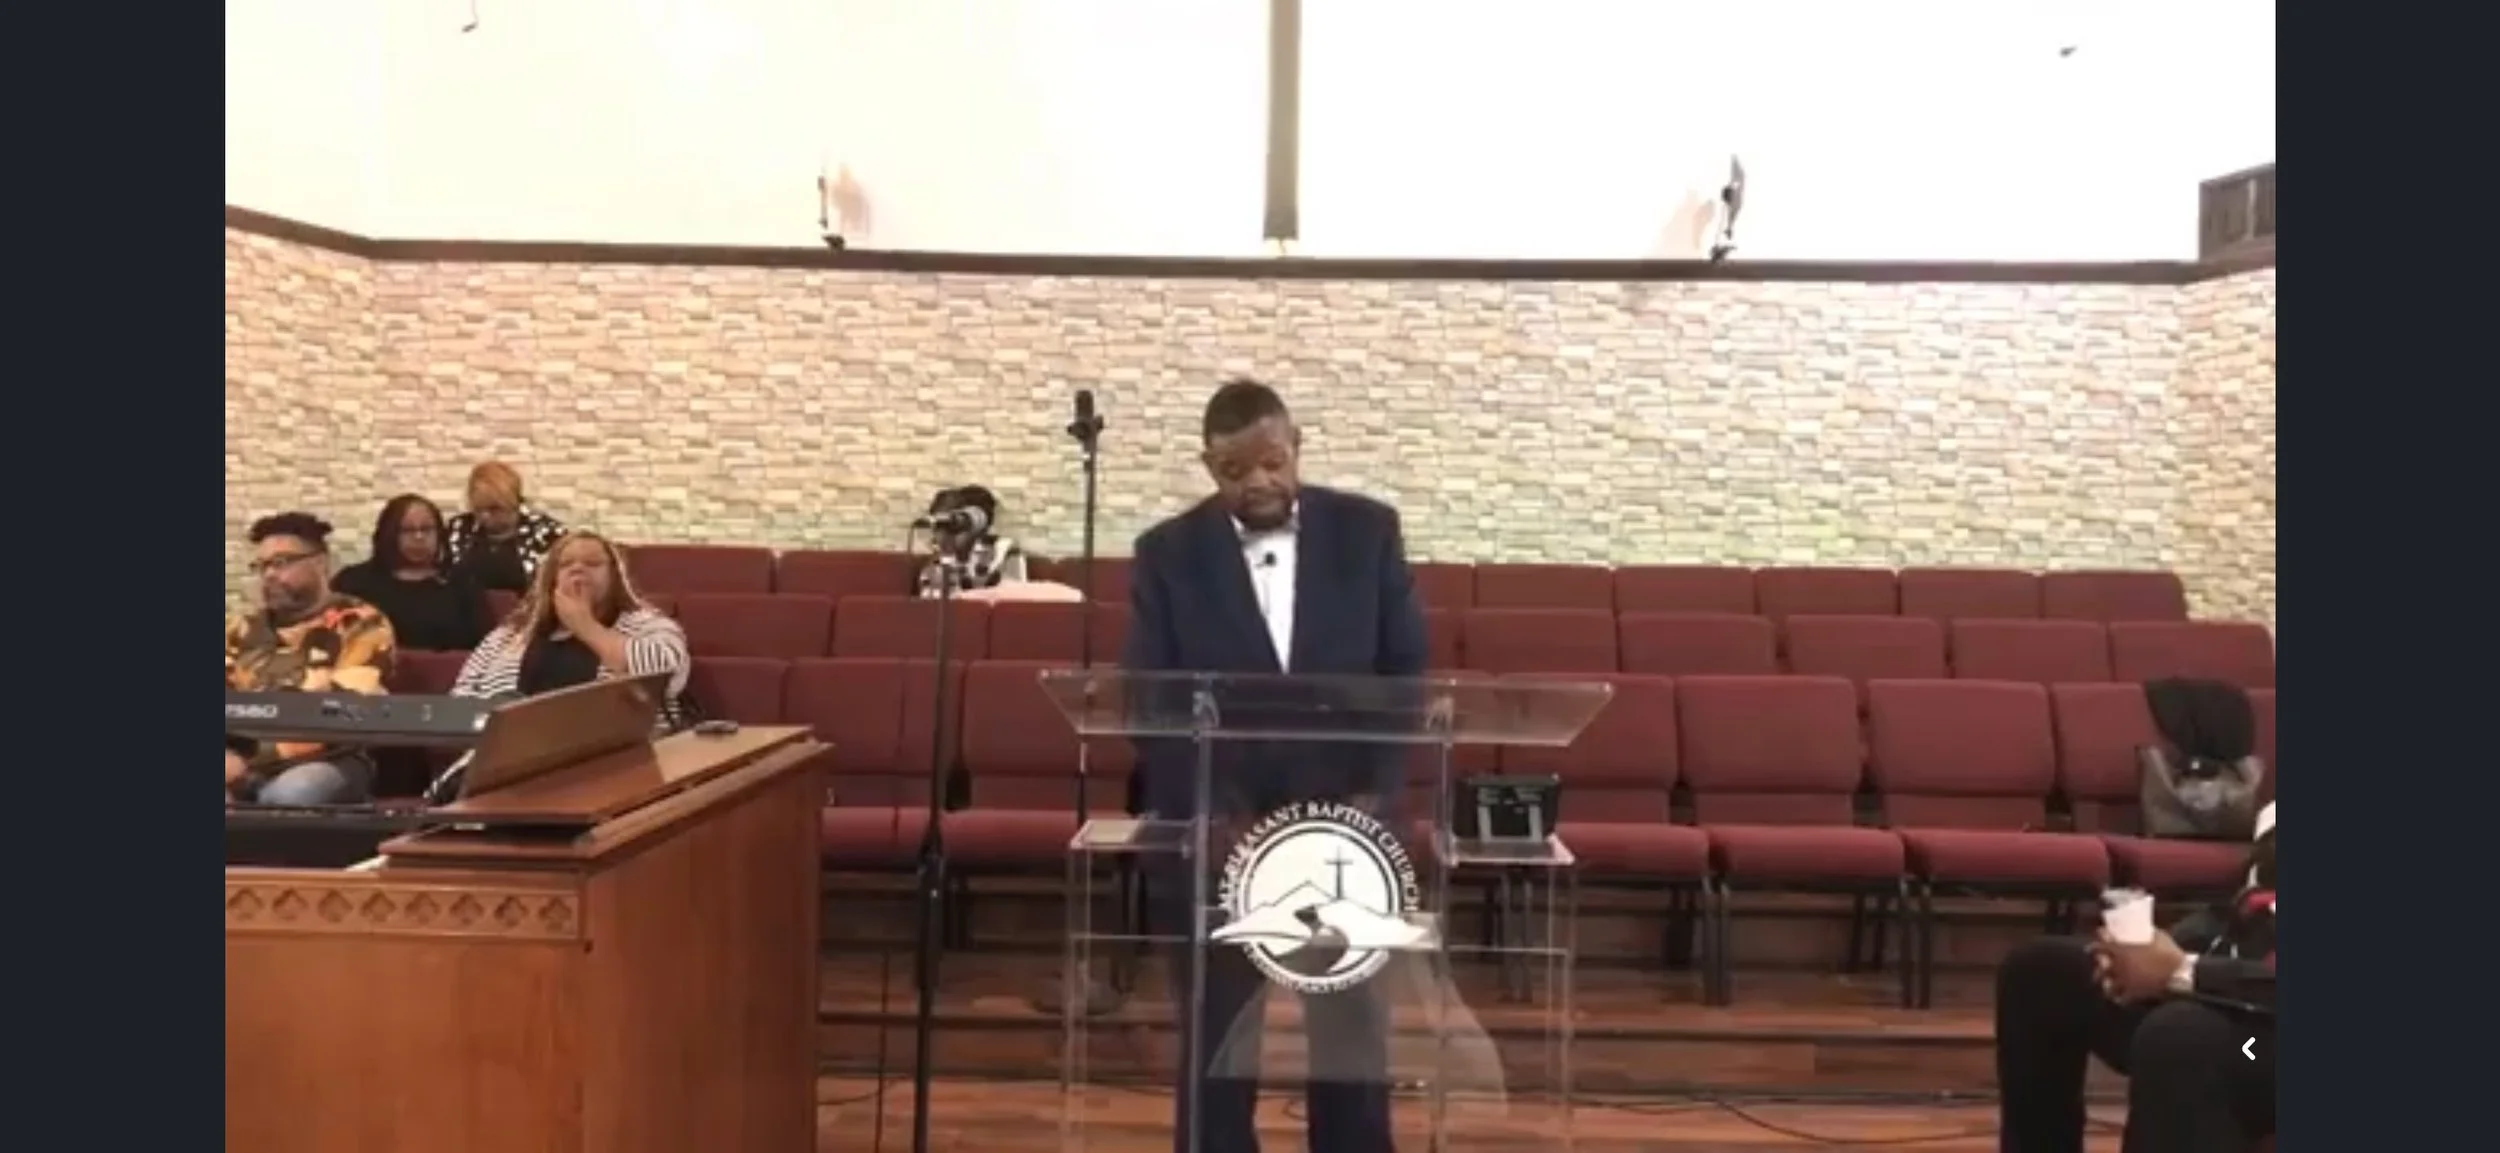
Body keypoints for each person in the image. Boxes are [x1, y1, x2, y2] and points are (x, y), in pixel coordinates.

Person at [1124, 378, 1430, 1153]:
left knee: (1352, 1039)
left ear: (1298, 447)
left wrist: (1372, 795)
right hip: (1220, 827)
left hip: (1347, 827)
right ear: (1207, 465)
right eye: (1234, 469)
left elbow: (1406, 674)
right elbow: (1148, 699)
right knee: (1219, 1041)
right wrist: (1207, 808)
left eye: (1271, 460)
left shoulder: (1369, 531)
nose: (1257, 482)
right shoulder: (1165, 554)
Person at [1994, 803, 2277, 1153]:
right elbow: (2242, 912)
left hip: (2260, 1046)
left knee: (2182, 1034)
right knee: (2041, 972)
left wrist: (2181, 970)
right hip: (2236, 999)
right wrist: (2141, 954)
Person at [225, 512, 398, 805]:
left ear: (320, 563)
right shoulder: (239, 629)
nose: (269, 575)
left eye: (281, 563)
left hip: (331, 759)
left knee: (290, 794)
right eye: (262, 566)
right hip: (238, 760)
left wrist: (249, 761)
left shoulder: (361, 623)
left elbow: (346, 714)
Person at [447, 530, 693, 731]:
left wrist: (584, 625)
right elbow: (461, 699)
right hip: (513, 761)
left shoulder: (649, 625)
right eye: (566, 564)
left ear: (615, 576)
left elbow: (666, 673)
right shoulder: (509, 635)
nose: (578, 569)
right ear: (551, 580)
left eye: (592, 563)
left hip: (613, 764)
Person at [332, 494, 492, 652]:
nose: (419, 537)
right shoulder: (355, 582)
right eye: (407, 530)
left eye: (427, 529)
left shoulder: (461, 582)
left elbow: (486, 647)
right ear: (389, 534)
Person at [445, 461, 565, 593]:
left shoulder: (546, 533)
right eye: (478, 509)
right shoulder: (458, 529)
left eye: (494, 509)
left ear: (513, 502)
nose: (485, 516)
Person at [915, 484, 1029, 597]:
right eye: (938, 528)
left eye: (954, 526)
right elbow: (932, 606)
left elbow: (1015, 599)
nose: (943, 535)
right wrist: (949, 558)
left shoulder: (1004, 550)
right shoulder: (936, 562)